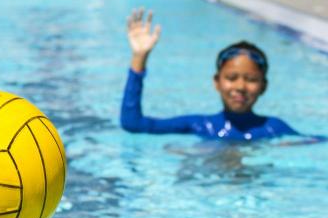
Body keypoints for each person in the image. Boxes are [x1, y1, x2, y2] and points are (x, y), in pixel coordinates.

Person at [120, 8, 301, 141]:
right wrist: (139, 58)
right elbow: (133, 124)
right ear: (217, 82)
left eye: (251, 80)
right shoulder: (200, 125)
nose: (240, 87)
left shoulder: (273, 128)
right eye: (231, 78)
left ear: (264, 86)